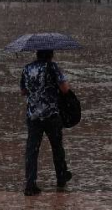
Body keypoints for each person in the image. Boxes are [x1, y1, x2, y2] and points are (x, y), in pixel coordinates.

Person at [20, 49, 73, 196]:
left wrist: (35, 91)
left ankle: (30, 185)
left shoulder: (27, 68)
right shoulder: (52, 67)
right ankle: (61, 177)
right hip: (51, 115)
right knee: (57, 147)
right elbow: (64, 89)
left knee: (32, 150)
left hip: (33, 116)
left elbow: (23, 91)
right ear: (50, 54)